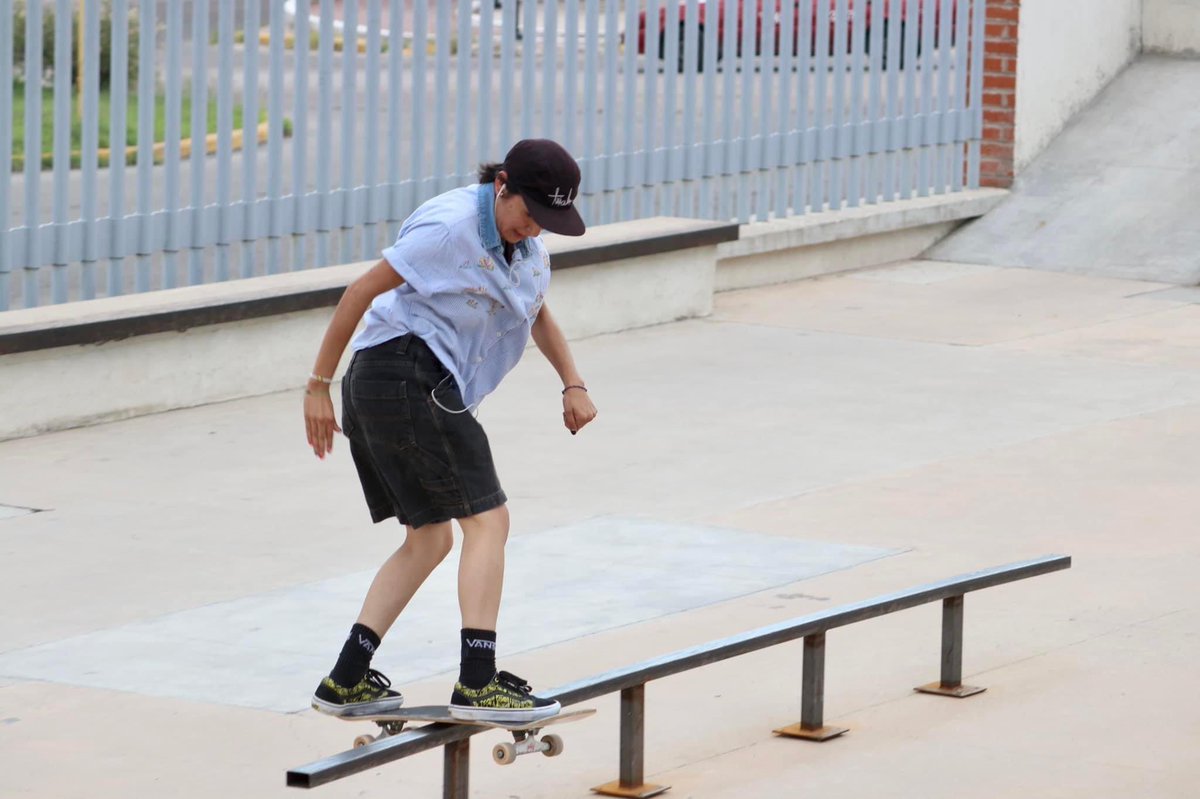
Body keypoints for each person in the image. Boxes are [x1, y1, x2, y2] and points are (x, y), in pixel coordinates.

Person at [303, 139, 597, 723]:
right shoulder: (448, 227)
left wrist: (572, 381)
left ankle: (346, 678)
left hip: (400, 387)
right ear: (502, 185)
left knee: (430, 537)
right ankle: (479, 681)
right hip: (404, 374)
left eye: (546, 221)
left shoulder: (529, 248)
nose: (534, 228)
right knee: (489, 520)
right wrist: (316, 386)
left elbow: (536, 312)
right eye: (528, 213)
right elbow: (362, 290)